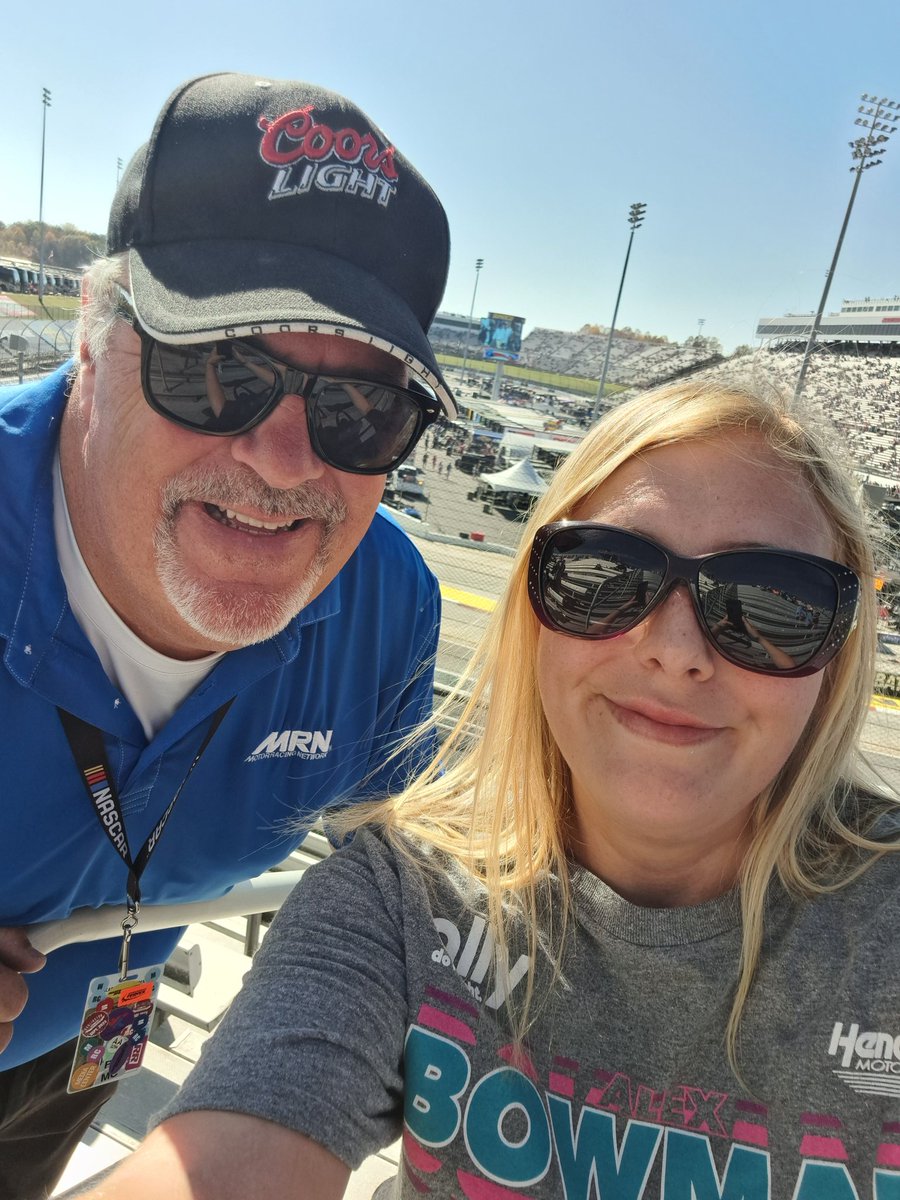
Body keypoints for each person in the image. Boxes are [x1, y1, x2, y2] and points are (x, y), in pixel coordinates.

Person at [79, 380, 898, 1200]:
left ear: (843, 648)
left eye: (772, 603)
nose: (676, 650)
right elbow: (228, 1153)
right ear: (533, 608)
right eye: (605, 573)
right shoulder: (405, 897)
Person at [0, 71, 457, 1198]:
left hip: (85, 1054)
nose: (288, 461)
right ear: (93, 350)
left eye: (363, 411)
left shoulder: (388, 612)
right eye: (220, 370)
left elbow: (434, 888)